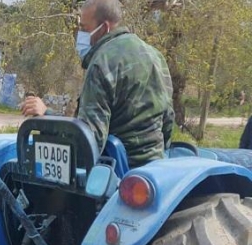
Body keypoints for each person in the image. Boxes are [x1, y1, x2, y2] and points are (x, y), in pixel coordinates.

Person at [21, 0, 174, 168]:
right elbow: (167, 120)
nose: (81, 34)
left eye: (85, 29)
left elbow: (90, 140)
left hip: (117, 171)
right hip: (154, 170)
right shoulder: (156, 57)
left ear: (104, 28)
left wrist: (47, 116)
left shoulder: (102, 63)